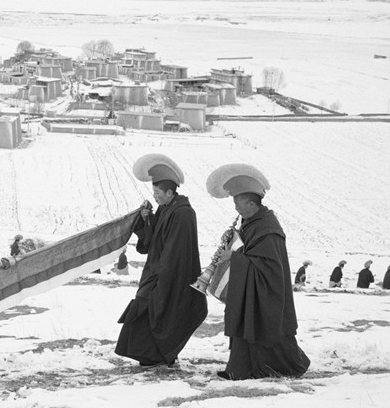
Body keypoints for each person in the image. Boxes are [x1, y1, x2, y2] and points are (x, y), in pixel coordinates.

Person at [206, 163, 310, 380]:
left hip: (266, 291)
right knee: (247, 325)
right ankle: (241, 369)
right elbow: (248, 251)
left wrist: (233, 257)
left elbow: (268, 267)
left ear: (252, 204)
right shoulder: (252, 222)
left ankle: (286, 367)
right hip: (252, 288)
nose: (236, 209)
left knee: (267, 330)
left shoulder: (268, 229)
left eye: (238, 204)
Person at [115, 153, 207, 368]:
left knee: (158, 310)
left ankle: (157, 355)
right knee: (146, 307)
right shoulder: (166, 208)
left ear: (170, 192)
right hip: (156, 271)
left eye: (158, 193)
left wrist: (162, 276)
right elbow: (154, 239)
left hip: (172, 275)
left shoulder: (183, 213)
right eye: (153, 192)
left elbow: (176, 250)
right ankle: (148, 355)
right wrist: (148, 219)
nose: (155, 197)